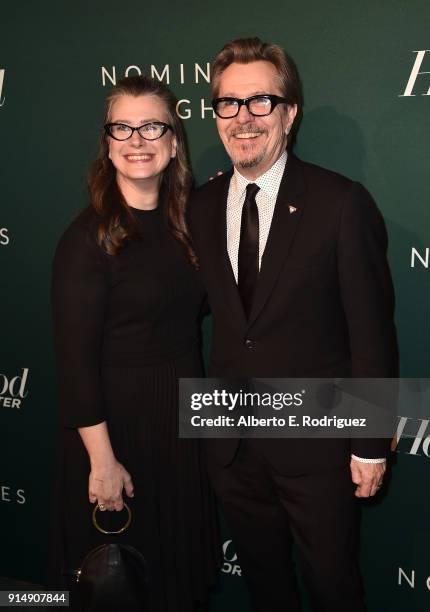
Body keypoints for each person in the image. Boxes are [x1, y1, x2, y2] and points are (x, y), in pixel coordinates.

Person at [188, 38, 398, 612]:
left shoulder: (340, 203)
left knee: (333, 588)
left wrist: (372, 444)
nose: (244, 118)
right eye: (228, 104)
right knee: (266, 588)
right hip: (230, 443)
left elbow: (373, 334)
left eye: (261, 101)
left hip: (320, 446)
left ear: (290, 112)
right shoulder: (202, 209)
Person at [50, 75, 218, 611]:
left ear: (173, 143)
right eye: (122, 127)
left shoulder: (189, 223)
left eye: (152, 126)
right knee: (117, 586)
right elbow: (75, 366)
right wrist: (102, 462)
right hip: (115, 431)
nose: (137, 140)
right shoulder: (88, 239)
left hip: (179, 418)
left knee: (177, 578)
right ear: (108, 143)